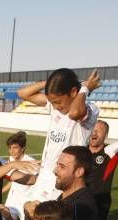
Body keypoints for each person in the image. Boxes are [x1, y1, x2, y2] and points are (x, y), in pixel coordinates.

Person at [18, 68, 101, 202]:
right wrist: (50, 83)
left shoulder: (90, 109)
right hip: (44, 175)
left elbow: (74, 113)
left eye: (57, 101)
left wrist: (85, 87)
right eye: (52, 102)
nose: (55, 107)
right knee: (30, 218)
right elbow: (23, 93)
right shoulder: (55, 106)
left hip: (63, 180)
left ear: (74, 92)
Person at [2, 131, 35, 220]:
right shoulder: (11, 159)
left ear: (23, 148)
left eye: (15, 148)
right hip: (12, 201)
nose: (11, 151)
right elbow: (13, 180)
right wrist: (2, 190)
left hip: (26, 203)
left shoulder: (31, 164)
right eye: (10, 148)